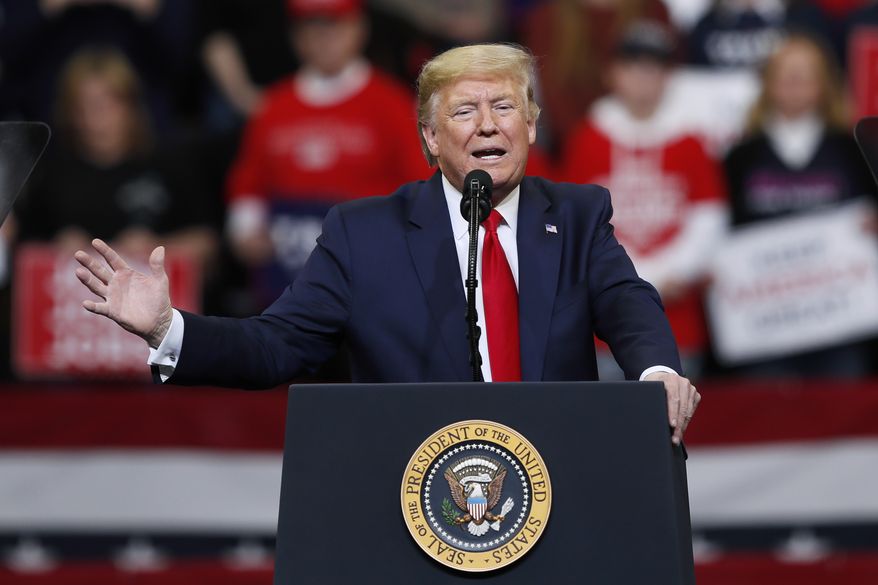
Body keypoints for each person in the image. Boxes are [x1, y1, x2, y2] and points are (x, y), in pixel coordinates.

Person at [73, 44, 700, 445]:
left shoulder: (578, 214)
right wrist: (167, 329)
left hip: (557, 480)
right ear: (429, 137)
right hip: (411, 492)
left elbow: (628, 302)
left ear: (531, 124)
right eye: (464, 111)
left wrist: (659, 372)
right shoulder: (363, 233)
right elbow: (276, 345)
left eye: (505, 106)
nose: (488, 123)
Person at [224, 0, 427, 306]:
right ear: (295, 35)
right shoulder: (273, 108)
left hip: (369, 278)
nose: (323, 38)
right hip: (286, 283)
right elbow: (249, 179)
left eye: (334, 26)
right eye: (311, 28)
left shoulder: (393, 105)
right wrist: (246, 227)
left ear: (359, 28)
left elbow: (420, 187)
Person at [562, 21, 728, 379]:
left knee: (673, 422)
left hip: (677, 317)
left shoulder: (691, 140)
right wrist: (636, 275)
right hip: (603, 322)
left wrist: (671, 272)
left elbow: (709, 219)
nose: (642, 78)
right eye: (632, 66)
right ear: (612, 73)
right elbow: (575, 222)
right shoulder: (589, 138)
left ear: (669, 76)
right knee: (606, 422)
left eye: (654, 68)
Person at [723, 33, 877, 376]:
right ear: (768, 83)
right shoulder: (739, 157)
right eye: (786, 73)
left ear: (824, 83)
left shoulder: (854, 151)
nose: (794, 82)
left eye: (805, 73)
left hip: (842, 323)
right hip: (763, 326)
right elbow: (723, 231)